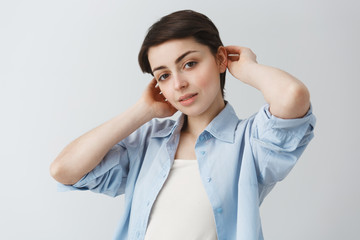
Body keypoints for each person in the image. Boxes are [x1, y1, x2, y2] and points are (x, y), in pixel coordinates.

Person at [50, 9, 316, 240]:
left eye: (189, 64)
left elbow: (292, 96)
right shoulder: (147, 144)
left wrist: (246, 68)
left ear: (220, 59)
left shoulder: (250, 143)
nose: (178, 84)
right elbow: (64, 169)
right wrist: (142, 111)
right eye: (164, 75)